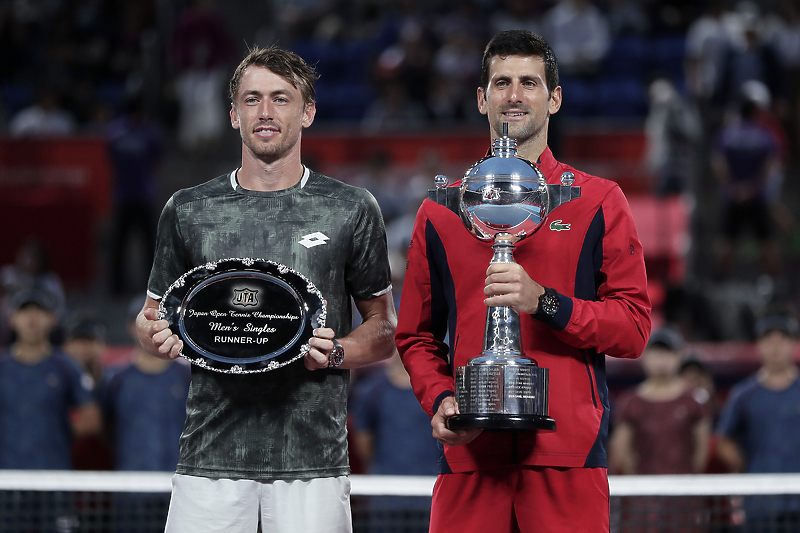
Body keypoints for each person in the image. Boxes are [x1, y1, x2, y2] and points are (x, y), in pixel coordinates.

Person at [395, 29, 651, 533]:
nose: (514, 95)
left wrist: (547, 303)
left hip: (568, 460)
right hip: (471, 460)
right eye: (502, 82)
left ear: (554, 98)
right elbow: (416, 336)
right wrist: (442, 398)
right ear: (481, 98)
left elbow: (634, 328)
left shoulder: (599, 200)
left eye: (530, 83)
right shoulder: (441, 210)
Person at [136, 45, 396, 533]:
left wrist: (337, 351)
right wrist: (153, 336)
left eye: (281, 98)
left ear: (308, 112)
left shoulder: (350, 208)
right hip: (208, 457)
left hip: (312, 462)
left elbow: (384, 328)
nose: (266, 112)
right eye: (252, 99)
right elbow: (149, 318)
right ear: (233, 115)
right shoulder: (188, 209)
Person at [716, 311, 800, 529]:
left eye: (782, 340)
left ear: (793, 345)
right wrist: (749, 466)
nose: (776, 347)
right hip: (759, 502)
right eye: (769, 340)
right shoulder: (743, 394)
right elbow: (723, 441)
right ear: (759, 346)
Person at [609, 328, 711, 476]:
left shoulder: (694, 401)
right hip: (643, 491)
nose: (661, 360)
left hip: (684, 490)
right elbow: (621, 452)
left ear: (679, 356)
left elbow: (702, 452)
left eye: (667, 353)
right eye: (656, 353)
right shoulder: (630, 402)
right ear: (645, 356)